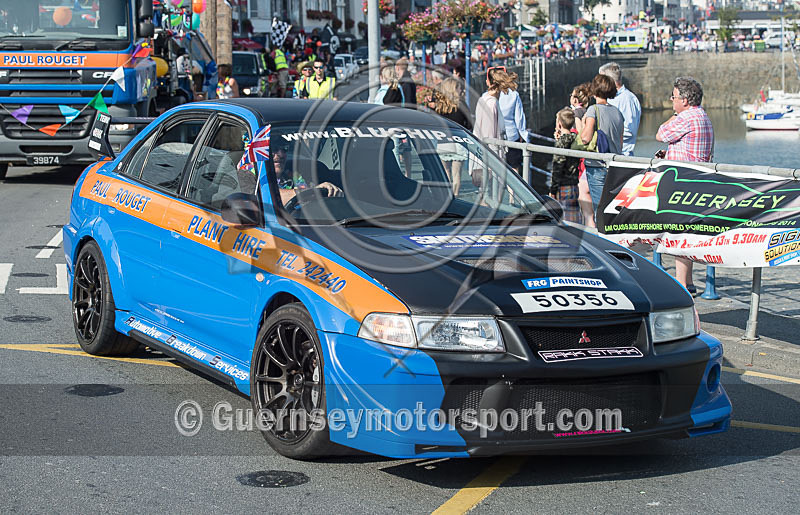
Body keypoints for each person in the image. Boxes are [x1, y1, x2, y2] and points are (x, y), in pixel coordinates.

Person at [656, 77, 714, 293]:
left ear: (685, 100)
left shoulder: (686, 118)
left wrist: (674, 116)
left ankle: (681, 284)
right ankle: (687, 282)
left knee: (679, 233)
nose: (672, 100)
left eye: (674, 97)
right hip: (699, 180)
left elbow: (660, 133)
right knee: (685, 232)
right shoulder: (703, 116)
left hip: (683, 182)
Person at [578, 74, 624, 218]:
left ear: (595, 90)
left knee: (600, 210)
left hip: (597, 165)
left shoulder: (593, 110)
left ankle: (601, 238)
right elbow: (620, 142)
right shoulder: (617, 112)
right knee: (613, 209)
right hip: (615, 167)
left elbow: (585, 138)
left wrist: (584, 123)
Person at [432, 77, 471, 195]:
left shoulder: (440, 106)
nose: (461, 90)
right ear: (454, 89)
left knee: (446, 171)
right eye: (459, 88)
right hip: (458, 141)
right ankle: (456, 195)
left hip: (443, 142)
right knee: (457, 174)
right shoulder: (461, 104)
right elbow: (469, 124)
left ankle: (448, 196)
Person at [273, 142, 342, 206]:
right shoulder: (262, 178)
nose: (281, 155)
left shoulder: (294, 175)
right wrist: (314, 191)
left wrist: (327, 190)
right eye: (274, 149)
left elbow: (305, 193)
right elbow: (271, 196)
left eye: (284, 149)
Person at [599, 62, 642, 156]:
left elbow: (629, 130)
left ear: (610, 80)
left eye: (601, 79)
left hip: (622, 156)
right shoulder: (610, 98)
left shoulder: (627, 99)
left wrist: (603, 134)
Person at [496, 67, 530, 177]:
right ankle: (513, 194)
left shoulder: (492, 95)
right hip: (512, 136)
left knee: (497, 167)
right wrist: (524, 136)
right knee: (514, 168)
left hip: (496, 136)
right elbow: (519, 118)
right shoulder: (514, 94)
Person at [551, 108, 582, 224]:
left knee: (564, 219)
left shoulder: (561, 144)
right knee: (574, 217)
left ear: (559, 124)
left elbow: (557, 167)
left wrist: (553, 189)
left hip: (563, 186)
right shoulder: (575, 139)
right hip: (574, 183)